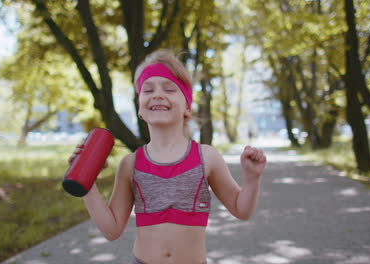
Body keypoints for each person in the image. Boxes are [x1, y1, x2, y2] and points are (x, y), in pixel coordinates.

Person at [68, 49, 267, 264]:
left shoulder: (206, 157)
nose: (157, 94)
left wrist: (251, 179)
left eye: (170, 89)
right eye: (148, 90)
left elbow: (241, 209)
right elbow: (112, 229)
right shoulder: (130, 164)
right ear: (140, 109)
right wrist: (87, 184)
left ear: (187, 107)